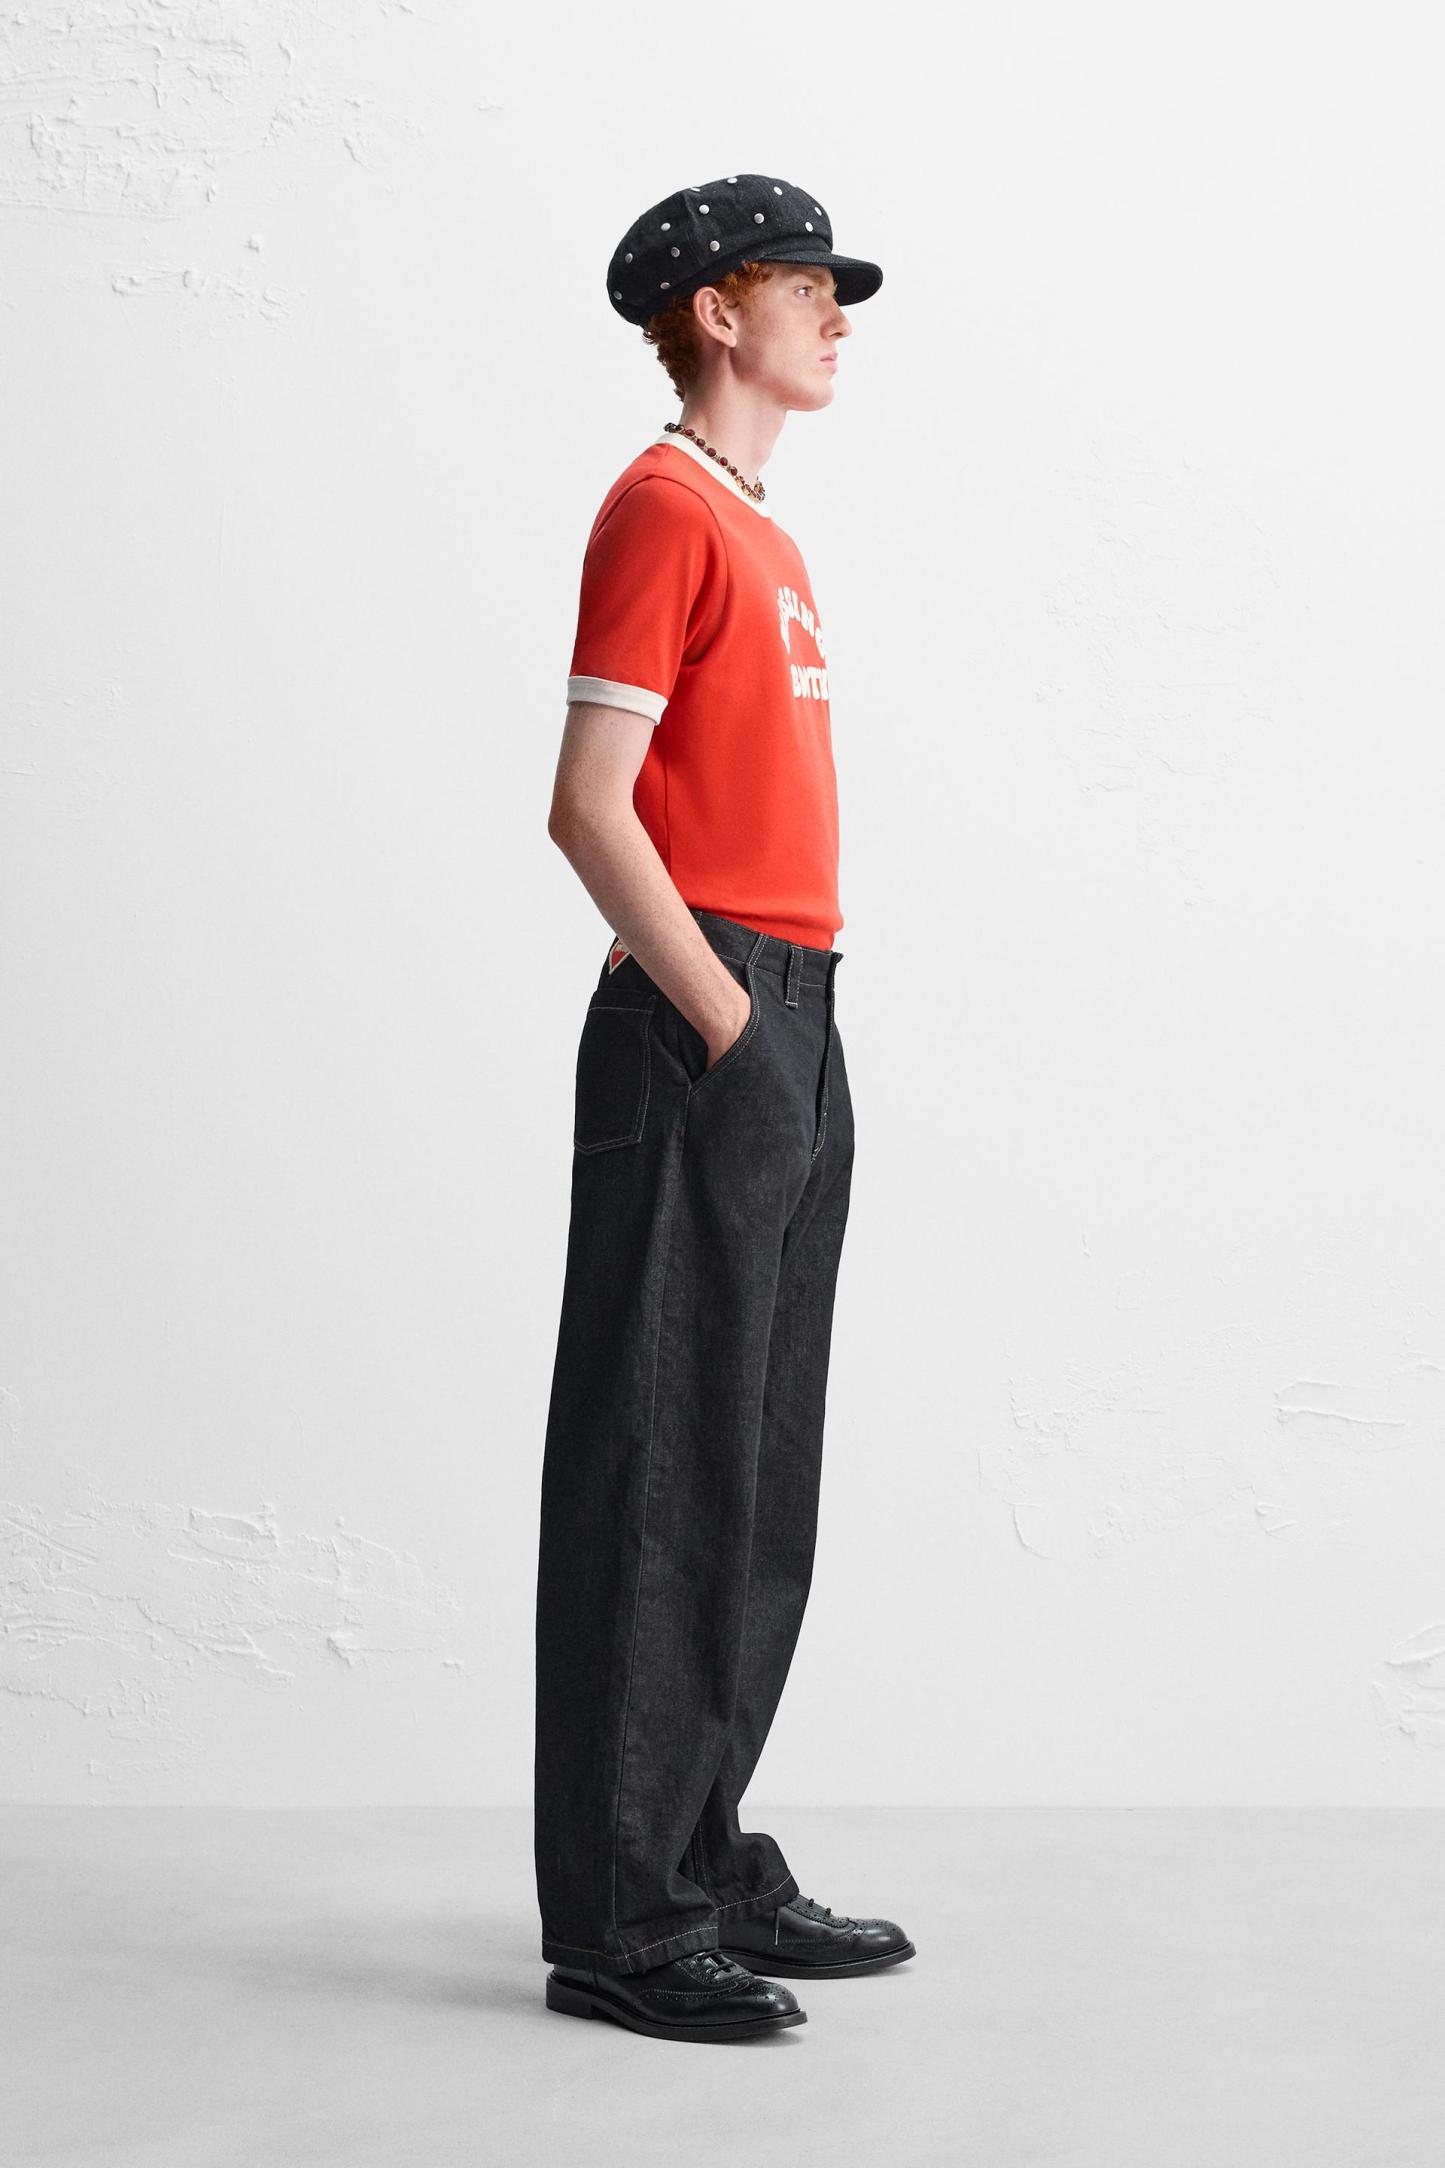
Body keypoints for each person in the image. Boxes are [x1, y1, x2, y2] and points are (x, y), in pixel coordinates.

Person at [534, 173, 914, 2044]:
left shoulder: (762, 530)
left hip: (794, 1002)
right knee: (661, 1467)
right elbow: (586, 804)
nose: (836, 316)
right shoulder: (662, 507)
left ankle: (694, 1844)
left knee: (753, 1469)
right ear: (713, 310)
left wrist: (787, 1035)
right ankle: (621, 1919)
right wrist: (728, 1029)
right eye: (806, 285)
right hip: (711, 1012)